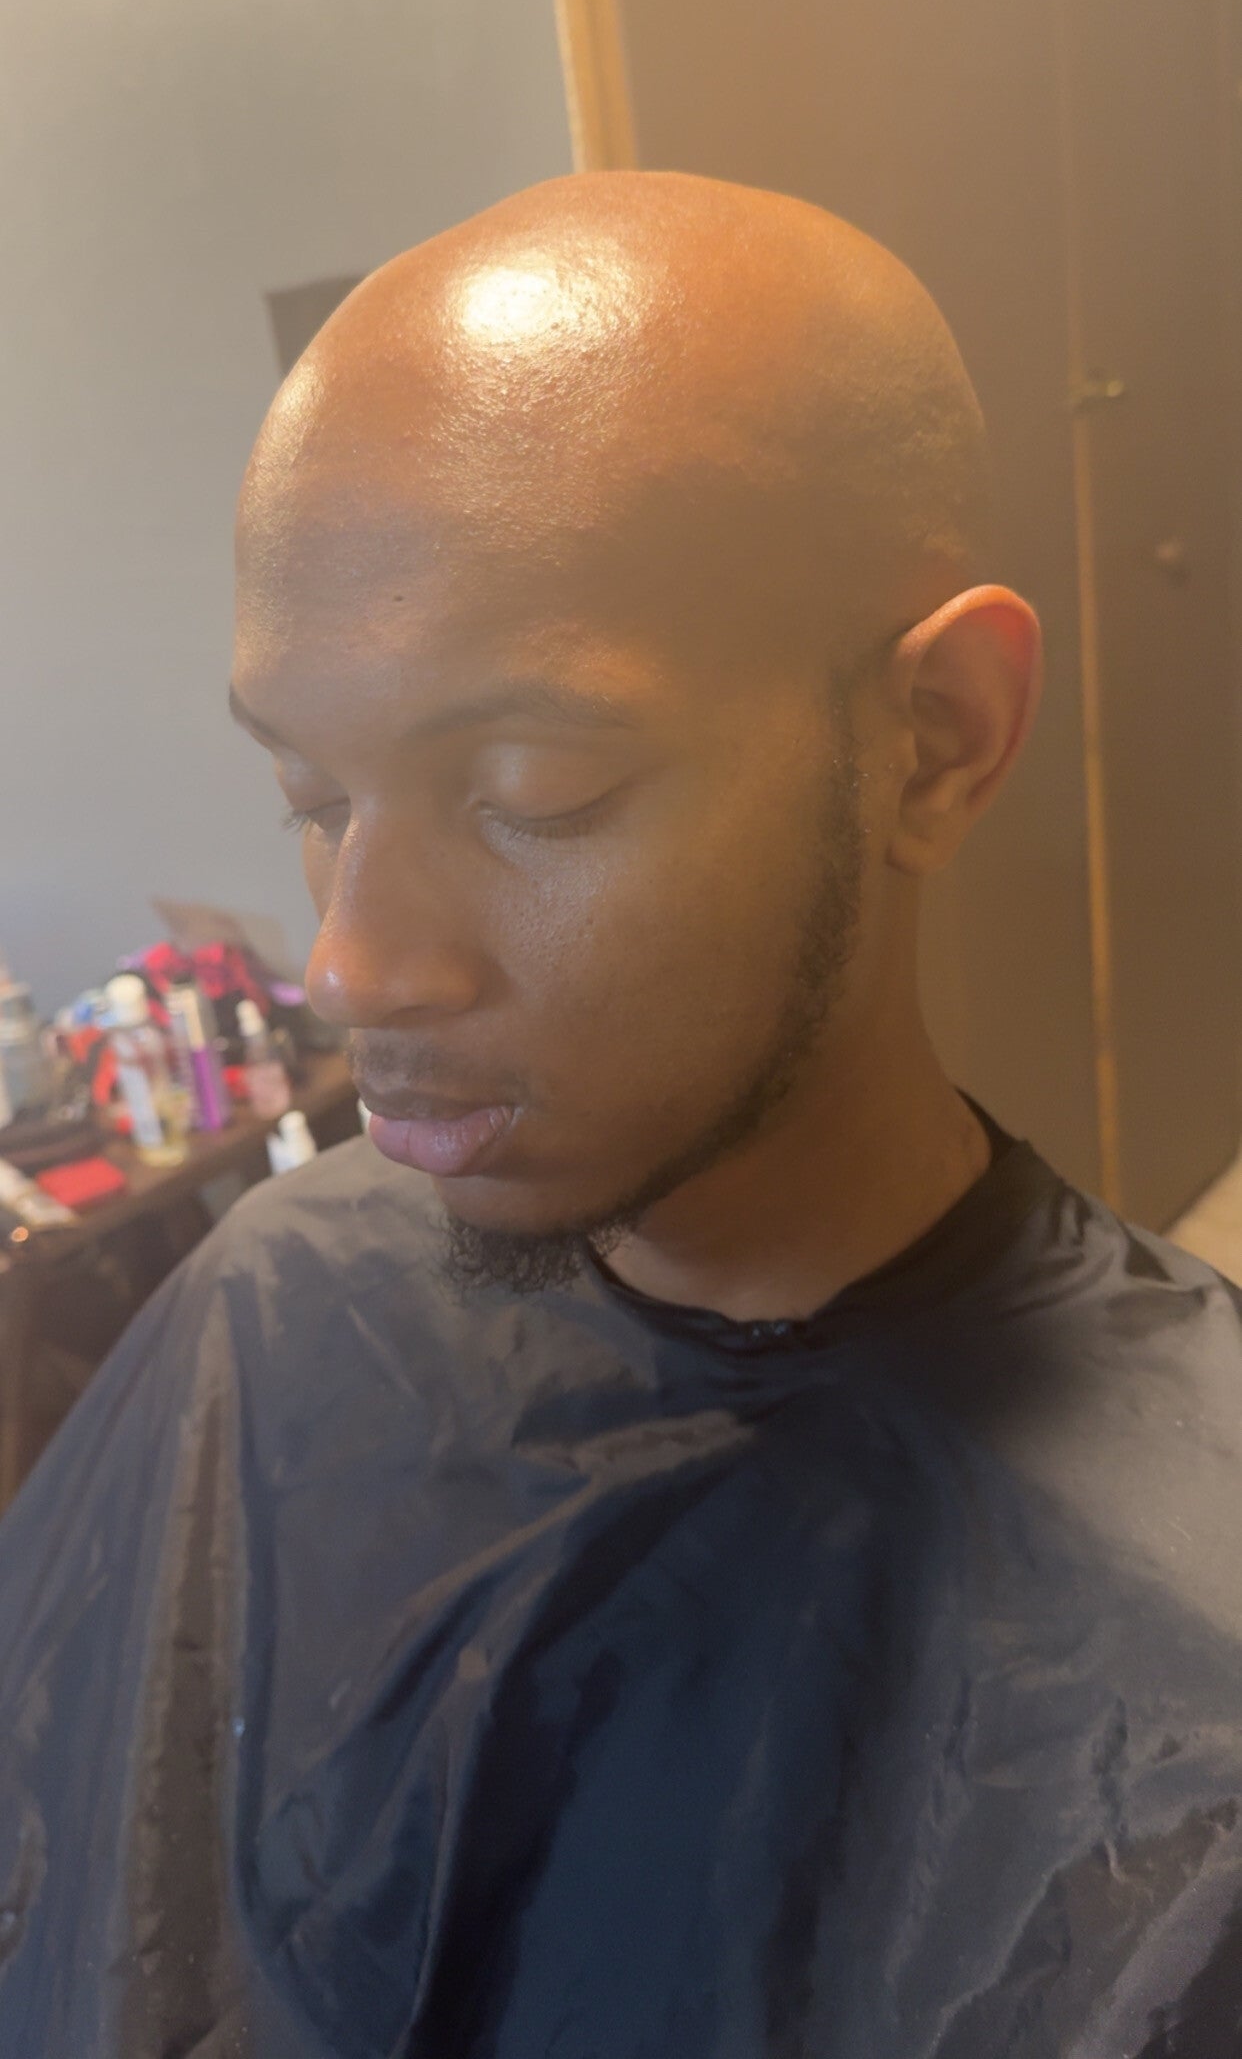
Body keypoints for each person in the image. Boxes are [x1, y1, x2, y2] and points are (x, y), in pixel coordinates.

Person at [2, 172, 1241, 2058]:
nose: (350, 967)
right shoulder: (274, 1297)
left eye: (534, 790)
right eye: (311, 800)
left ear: (934, 739)